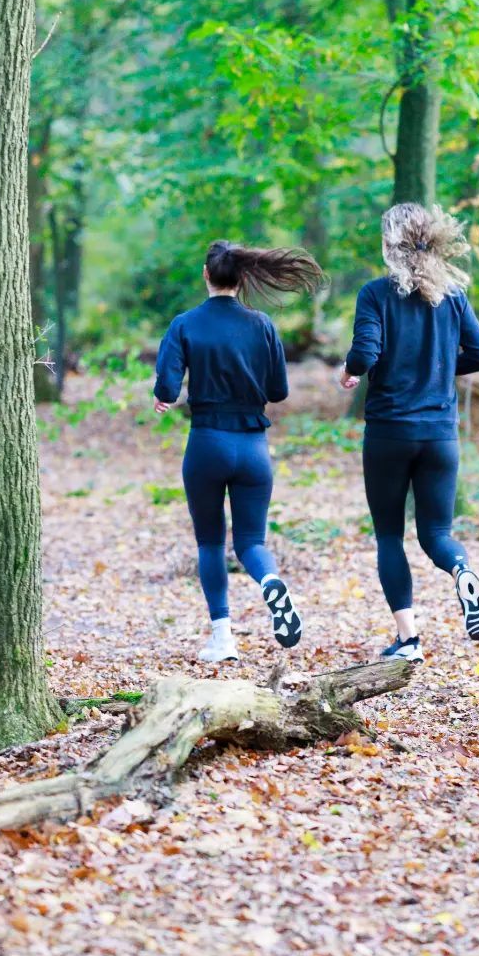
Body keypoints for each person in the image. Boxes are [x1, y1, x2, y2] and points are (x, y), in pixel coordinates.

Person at [339, 202, 479, 662]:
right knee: (436, 535)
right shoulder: (452, 297)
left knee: (390, 536)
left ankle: (408, 641)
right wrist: (442, 369)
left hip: (390, 431)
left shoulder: (375, 294)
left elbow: (366, 353)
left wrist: (351, 371)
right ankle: (461, 569)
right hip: (441, 434)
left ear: (390, 244)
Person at [154, 240, 324, 662]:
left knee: (210, 543)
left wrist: (165, 396)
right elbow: (279, 391)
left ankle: (223, 639)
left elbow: (167, 388)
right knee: (251, 541)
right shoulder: (262, 324)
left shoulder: (185, 324)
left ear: (206, 276)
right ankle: (270, 581)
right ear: (243, 278)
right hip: (253, 448)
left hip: (207, 443)